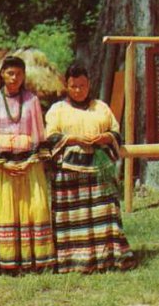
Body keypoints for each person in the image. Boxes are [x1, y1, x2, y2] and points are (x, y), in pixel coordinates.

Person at [45, 63, 135, 273]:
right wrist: (73, 139)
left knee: (104, 212)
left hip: (99, 166)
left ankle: (107, 257)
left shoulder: (101, 107)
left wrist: (105, 137)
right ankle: (72, 260)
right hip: (69, 170)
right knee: (72, 217)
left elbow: (115, 132)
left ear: (89, 84)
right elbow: (50, 137)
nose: (78, 90)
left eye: (82, 85)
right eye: (74, 86)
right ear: (67, 86)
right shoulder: (57, 110)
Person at [0, 56, 53, 273]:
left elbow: (38, 133)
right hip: (2, 166)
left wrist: (30, 161)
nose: (14, 78)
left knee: (35, 208)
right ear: (2, 73)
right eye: (10, 73)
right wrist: (3, 163)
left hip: (29, 164)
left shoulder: (32, 101)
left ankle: (34, 259)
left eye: (19, 74)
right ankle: (5, 259)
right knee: (5, 211)